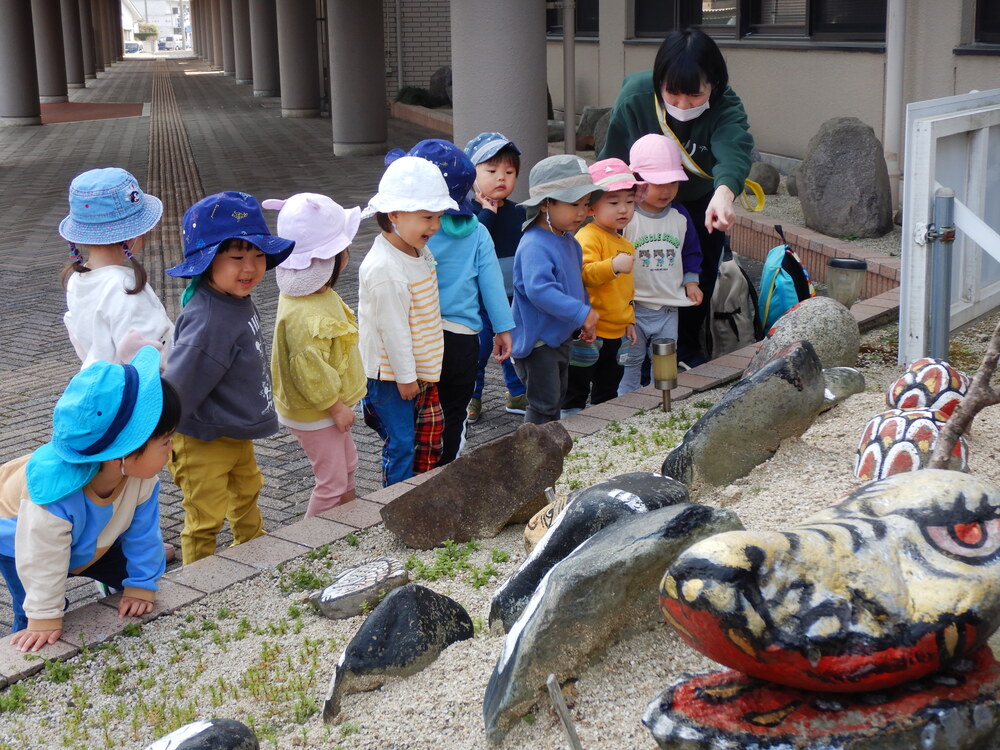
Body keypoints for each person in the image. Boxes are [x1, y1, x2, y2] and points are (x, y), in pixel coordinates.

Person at [0, 346, 179, 652]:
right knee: (34, 614)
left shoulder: (141, 476)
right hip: (21, 542)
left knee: (137, 571)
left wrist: (141, 585)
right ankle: (15, 662)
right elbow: (40, 559)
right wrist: (44, 616)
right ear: (121, 454)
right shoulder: (53, 496)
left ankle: (97, 569)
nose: (172, 448)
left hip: (89, 537)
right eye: (165, 442)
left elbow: (144, 532)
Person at [600, 27, 754, 364]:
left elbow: (734, 152)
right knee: (638, 266)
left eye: (696, 96)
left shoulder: (726, 105)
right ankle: (630, 343)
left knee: (700, 265)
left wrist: (724, 194)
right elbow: (611, 158)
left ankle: (685, 343)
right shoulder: (636, 96)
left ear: (715, 84)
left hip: (700, 200)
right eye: (673, 94)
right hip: (640, 198)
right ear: (659, 84)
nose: (683, 105)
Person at [163, 192, 294, 565]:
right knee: (205, 517)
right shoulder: (208, 321)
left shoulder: (233, 296)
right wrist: (158, 431)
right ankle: (199, 581)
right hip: (202, 437)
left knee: (247, 490)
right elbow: (180, 385)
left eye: (257, 255)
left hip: (233, 427)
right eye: (237, 257)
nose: (250, 268)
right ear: (207, 262)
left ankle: (253, 551)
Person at [392, 139, 514, 464]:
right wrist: (503, 329)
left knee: (419, 414)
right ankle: (446, 466)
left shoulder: (414, 231)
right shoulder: (477, 232)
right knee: (454, 411)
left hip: (420, 337)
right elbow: (492, 287)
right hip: (463, 339)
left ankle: (417, 468)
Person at [358, 156, 457, 486]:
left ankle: (419, 492)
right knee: (401, 443)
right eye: (427, 217)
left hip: (418, 372)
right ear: (394, 214)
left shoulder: (417, 250)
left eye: (438, 217)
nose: (435, 226)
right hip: (392, 377)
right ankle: (394, 501)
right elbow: (393, 329)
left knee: (427, 438)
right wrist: (405, 377)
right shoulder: (385, 269)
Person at [265, 193, 366, 517]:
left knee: (348, 464)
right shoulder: (303, 315)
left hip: (326, 408)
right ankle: (310, 546)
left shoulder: (313, 293)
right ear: (330, 258)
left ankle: (348, 522)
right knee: (331, 481)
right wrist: (335, 407)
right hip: (317, 411)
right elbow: (309, 371)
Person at [510, 155, 602, 424]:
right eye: (574, 204)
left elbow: (576, 283)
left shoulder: (569, 241)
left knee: (556, 398)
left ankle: (546, 451)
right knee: (543, 403)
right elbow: (539, 291)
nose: (582, 212)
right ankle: (529, 455)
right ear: (545, 204)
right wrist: (580, 313)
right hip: (538, 342)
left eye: (585, 204)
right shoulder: (534, 244)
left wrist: (584, 318)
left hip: (559, 336)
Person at [59, 167, 174, 370]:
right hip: (141, 393)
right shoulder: (126, 287)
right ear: (132, 236)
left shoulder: (77, 279)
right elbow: (154, 354)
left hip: (105, 384)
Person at [620, 134, 703, 396]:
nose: (666, 191)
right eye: (658, 183)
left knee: (665, 359)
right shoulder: (627, 216)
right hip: (633, 307)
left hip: (669, 306)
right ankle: (626, 401)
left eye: (672, 183)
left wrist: (692, 280)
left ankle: (661, 402)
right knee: (630, 360)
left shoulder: (680, 215)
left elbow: (691, 249)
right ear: (637, 180)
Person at [562, 159, 640, 413]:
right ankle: (569, 428)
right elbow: (583, 275)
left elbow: (626, 289)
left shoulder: (625, 243)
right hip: (590, 331)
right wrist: (613, 265)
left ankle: (601, 428)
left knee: (608, 388)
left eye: (629, 201)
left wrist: (630, 319)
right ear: (592, 206)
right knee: (577, 386)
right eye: (614, 202)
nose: (624, 209)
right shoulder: (588, 236)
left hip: (618, 331)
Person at [463, 132, 528, 423]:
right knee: (479, 351)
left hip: (511, 298)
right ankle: (471, 398)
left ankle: (516, 393)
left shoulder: (519, 213)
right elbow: (473, 244)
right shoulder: (468, 215)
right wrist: (487, 212)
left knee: (512, 348)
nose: (501, 178)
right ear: (471, 175)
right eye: (491, 171)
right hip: (479, 300)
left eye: (509, 172)